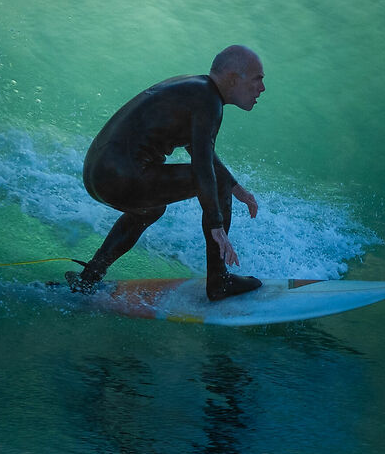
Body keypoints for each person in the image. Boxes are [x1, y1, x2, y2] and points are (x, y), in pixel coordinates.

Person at [67, 45, 266, 302]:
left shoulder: (195, 88)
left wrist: (237, 187)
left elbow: (196, 147)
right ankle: (220, 281)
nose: (261, 89)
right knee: (217, 185)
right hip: (121, 175)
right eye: (257, 80)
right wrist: (216, 224)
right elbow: (203, 168)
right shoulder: (208, 102)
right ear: (232, 78)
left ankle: (90, 277)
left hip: (98, 174)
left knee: (151, 207)